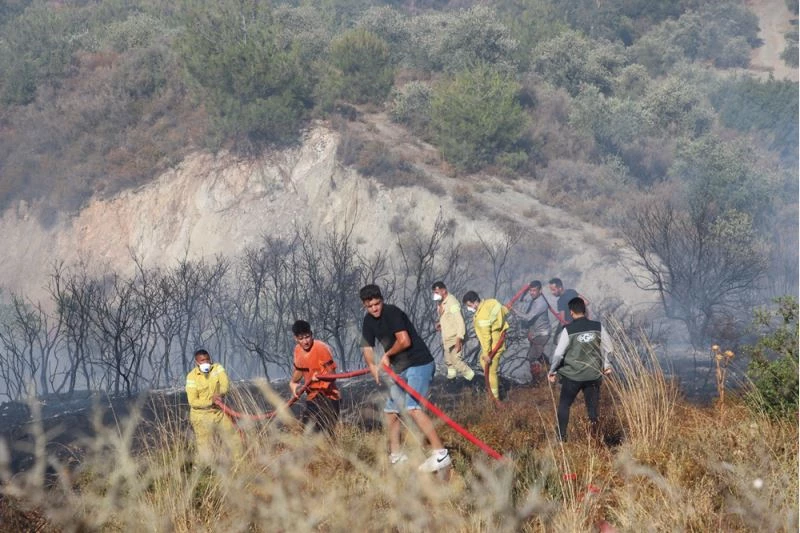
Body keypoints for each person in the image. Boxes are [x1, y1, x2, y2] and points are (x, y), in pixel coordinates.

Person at [359, 284, 452, 472]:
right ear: (365, 306)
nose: (375, 309)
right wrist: (372, 365)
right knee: (391, 413)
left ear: (382, 300)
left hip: (420, 363)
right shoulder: (368, 321)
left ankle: (441, 454)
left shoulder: (392, 313)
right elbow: (367, 348)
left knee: (413, 407)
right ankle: (396, 457)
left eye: (377, 304)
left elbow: (404, 340)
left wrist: (386, 356)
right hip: (400, 369)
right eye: (370, 306)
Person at [547, 297, 613, 442]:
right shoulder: (598, 326)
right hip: (593, 375)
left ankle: (561, 438)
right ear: (584, 310)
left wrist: (552, 371)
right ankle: (596, 440)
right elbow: (609, 348)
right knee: (592, 410)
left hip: (572, 377)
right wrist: (607, 365)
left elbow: (558, 354)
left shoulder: (568, 330)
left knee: (564, 405)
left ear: (571, 312)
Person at [185, 349, 243, 464]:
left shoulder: (217, 368)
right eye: (202, 361)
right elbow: (192, 401)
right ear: (196, 362)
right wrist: (210, 401)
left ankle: (241, 465)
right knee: (205, 447)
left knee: (234, 439)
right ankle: (203, 471)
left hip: (219, 412)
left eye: (207, 359)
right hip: (200, 416)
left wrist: (220, 393)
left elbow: (225, 384)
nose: (205, 362)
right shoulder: (191, 377)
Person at [289, 320, 341, 436]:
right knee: (306, 431)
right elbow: (299, 369)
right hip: (312, 397)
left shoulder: (321, 348)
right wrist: (292, 383)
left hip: (329, 396)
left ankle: (333, 453)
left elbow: (333, 375)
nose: (305, 341)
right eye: (301, 338)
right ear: (296, 339)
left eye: (307, 337)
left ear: (311, 334)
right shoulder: (297, 350)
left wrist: (319, 377)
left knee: (326, 433)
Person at [462, 290, 509, 401]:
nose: (469, 308)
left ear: (474, 302)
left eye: (469, 305)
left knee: (491, 371)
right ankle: (494, 391)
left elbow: (486, 336)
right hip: (497, 339)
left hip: (493, 344)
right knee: (483, 362)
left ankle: (495, 398)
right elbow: (504, 311)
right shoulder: (490, 303)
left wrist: (488, 353)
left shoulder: (482, 315)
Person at [432, 281, 475, 381]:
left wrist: (459, 339)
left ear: (443, 291)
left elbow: (460, 321)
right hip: (447, 337)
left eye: (437, 292)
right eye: (434, 293)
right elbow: (447, 318)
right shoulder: (441, 303)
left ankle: (473, 379)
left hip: (455, 337)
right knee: (449, 361)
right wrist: (440, 324)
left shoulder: (452, 303)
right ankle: (451, 381)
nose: (435, 295)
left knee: (456, 361)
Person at [512, 280, 551, 380]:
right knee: (537, 355)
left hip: (542, 333)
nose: (531, 293)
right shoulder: (535, 300)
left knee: (532, 356)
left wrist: (514, 311)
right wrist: (525, 290)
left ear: (540, 290)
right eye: (530, 290)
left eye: (534, 290)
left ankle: (538, 381)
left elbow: (528, 317)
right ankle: (550, 370)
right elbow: (522, 300)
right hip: (535, 333)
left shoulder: (541, 303)